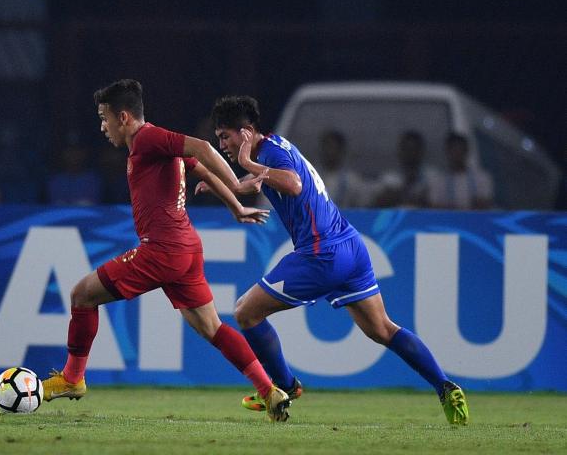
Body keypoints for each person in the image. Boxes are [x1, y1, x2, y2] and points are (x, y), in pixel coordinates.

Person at [196, 95, 469, 425]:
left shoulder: (268, 154)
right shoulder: (276, 146)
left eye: (226, 135)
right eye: (219, 137)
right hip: (350, 247)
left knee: (246, 312)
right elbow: (254, 184)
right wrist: (219, 184)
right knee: (382, 328)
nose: (222, 144)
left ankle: (284, 386)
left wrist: (251, 165)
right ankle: (446, 387)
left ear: (248, 131)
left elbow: (293, 184)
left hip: (321, 253)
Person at [41, 80, 292, 422]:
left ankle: (71, 379)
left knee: (82, 295)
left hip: (162, 250)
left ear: (124, 117)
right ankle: (269, 390)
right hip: (186, 249)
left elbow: (203, 148)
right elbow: (200, 168)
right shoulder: (156, 149)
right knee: (212, 328)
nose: (102, 127)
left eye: (104, 118)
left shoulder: (147, 138)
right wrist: (235, 207)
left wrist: (236, 186)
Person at [374, 130, 439, 208]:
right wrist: (402, 190)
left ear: (421, 151)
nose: (410, 153)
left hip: (425, 218)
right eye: (407, 149)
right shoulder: (388, 178)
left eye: (414, 149)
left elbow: (438, 205)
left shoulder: (433, 176)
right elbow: (378, 204)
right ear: (400, 152)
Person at [429, 132, 494, 210]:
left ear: (466, 151)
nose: (457, 154)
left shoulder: (481, 178)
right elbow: (435, 207)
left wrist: (450, 206)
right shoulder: (438, 180)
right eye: (454, 150)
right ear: (447, 152)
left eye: (460, 150)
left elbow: (485, 204)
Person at [314, 129, 373, 208]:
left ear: (341, 151)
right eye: (327, 148)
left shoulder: (352, 181)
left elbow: (364, 205)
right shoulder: (311, 177)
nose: (329, 152)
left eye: (333, 148)